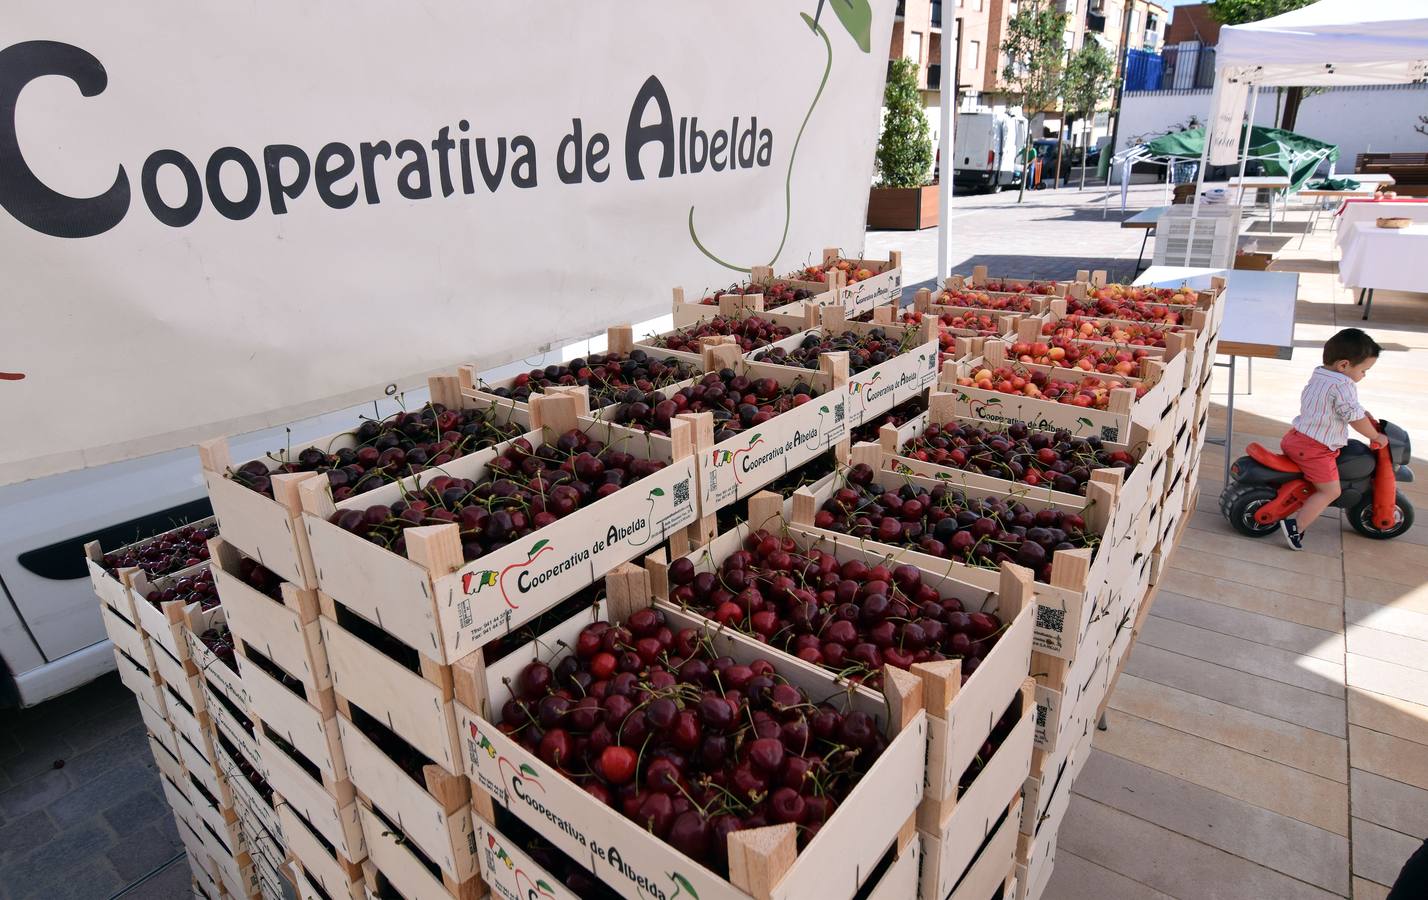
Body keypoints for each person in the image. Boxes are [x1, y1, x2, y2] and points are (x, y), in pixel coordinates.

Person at [1278, 328, 1387, 551]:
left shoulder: (1320, 374)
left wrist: (1363, 412)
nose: (1364, 375)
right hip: (1315, 448)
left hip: (1297, 438)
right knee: (1330, 491)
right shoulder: (1344, 385)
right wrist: (1375, 436)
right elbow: (1354, 417)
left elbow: (1344, 408)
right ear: (1344, 365)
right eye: (1365, 370)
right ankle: (1295, 526)